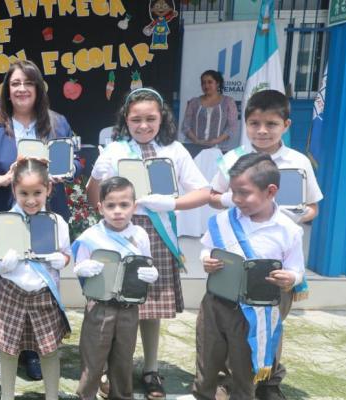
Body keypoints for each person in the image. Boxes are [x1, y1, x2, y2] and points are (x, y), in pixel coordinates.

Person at [86, 87, 210, 399]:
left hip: (156, 235)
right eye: (136, 119)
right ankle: (110, 370)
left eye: (150, 119)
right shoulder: (114, 150)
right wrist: (97, 179)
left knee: (150, 307)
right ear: (125, 120)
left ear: (162, 118)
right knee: (113, 302)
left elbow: (204, 191)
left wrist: (172, 204)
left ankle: (151, 369)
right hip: (116, 234)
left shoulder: (174, 149)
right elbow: (92, 199)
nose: (143, 125)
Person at [207, 89, 322, 400]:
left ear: (286, 124)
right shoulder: (232, 158)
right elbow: (213, 198)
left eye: (271, 124)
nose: (261, 130)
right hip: (237, 258)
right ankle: (229, 380)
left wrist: (284, 216)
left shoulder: (298, 162)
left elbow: (313, 208)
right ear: (245, 123)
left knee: (269, 323)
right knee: (230, 324)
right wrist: (240, 200)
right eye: (254, 123)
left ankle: (268, 381)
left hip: (276, 261)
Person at [0, 59, 80, 381]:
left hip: (44, 213)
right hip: (4, 214)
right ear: (7, 89)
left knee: (39, 280)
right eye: (15, 83)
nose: (21, 89)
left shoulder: (58, 123)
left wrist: (61, 172)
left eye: (27, 83)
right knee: (0, 280)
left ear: (38, 88)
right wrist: (3, 178)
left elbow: (75, 162)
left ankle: (32, 351)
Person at [194, 153, 304, 400]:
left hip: (254, 312)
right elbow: (206, 248)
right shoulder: (223, 220)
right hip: (216, 303)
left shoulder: (288, 230)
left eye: (244, 193)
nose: (236, 199)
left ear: (270, 191)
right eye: (233, 192)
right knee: (207, 359)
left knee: (245, 368)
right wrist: (205, 260)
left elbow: (297, 270)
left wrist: (290, 278)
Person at [0, 158, 71, 400]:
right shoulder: (1, 222)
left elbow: (67, 254)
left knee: (49, 349)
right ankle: (7, 395)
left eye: (37, 193)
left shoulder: (57, 223)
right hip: (11, 291)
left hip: (44, 293)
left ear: (48, 189)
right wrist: (0, 266)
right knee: (8, 350)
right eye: (23, 193)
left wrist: (60, 260)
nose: (31, 200)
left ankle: (51, 395)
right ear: (13, 189)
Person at [72, 176, 157, 400]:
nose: (117, 211)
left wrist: (152, 275)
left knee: (123, 361)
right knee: (93, 360)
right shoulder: (90, 237)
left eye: (124, 204)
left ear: (134, 206)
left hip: (129, 308)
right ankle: (86, 396)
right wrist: (82, 268)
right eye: (110, 205)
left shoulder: (140, 235)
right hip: (99, 307)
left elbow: (147, 264)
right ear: (100, 208)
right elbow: (78, 267)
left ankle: (122, 395)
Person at [182, 70, 239, 152]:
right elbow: (186, 126)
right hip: (194, 147)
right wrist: (196, 140)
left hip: (219, 148)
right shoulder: (194, 102)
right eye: (203, 83)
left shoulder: (228, 102)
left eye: (210, 82)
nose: (206, 85)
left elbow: (232, 127)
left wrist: (216, 141)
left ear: (217, 83)